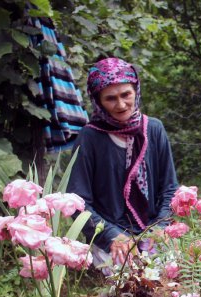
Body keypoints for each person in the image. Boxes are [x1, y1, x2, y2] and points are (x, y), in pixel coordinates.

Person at [67, 58, 178, 267]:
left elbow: (170, 188)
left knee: (171, 276)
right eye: (110, 98)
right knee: (129, 280)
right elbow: (78, 202)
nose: (121, 105)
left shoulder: (153, 129)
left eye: (126, 94)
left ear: (135, 90)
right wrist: (112, 236)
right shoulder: (90, 138)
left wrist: (159, 229)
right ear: (98, 101)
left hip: (153, 229)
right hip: (113, 236)